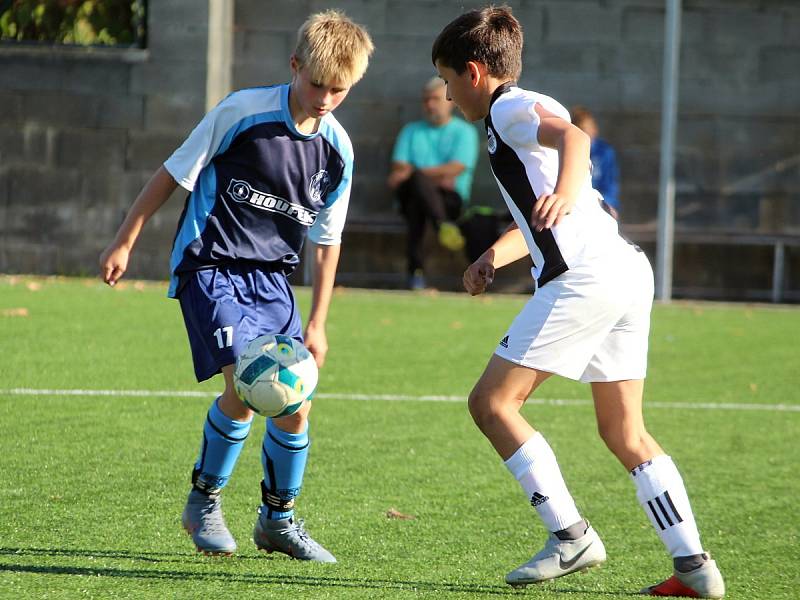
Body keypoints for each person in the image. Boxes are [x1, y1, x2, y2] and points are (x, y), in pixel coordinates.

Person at [431, 7, 725, 598]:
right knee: (626, 433)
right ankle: (695, 568)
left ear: (474, 72)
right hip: (623, 270)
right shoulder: (514, 115)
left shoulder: (509, 107)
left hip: (586, 278)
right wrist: (495, 255)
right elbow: (542, 207)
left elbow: (576, 140)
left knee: (492, 404)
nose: (445, 91)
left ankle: (571, 535)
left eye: (446, 78)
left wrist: (566, 189)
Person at [99, 10, 373, 561]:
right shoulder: (243, 111)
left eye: (338, 90)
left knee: (295, 402)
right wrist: (125, 240)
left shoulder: (337, 150)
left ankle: (278, 519)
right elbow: (175, 173)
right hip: (211, 265)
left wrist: (318, 321)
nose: (324, 98)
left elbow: (327, 239)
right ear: (294, 66)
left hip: (274, 282)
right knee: (249, 385)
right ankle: (203, 501)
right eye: (317, 84)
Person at [387, 77, 480, 289]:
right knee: (417, 190)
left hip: (450, 200)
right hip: (415, 195)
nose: (430, 105)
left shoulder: (465, 132)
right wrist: (437, 175)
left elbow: (457, 168)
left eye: (435, 99)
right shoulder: (411, 130)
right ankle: (443, 226)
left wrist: (416, 172)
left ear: (451, 101)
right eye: (426, 100)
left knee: (417, 203)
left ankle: (415, 273)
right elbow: (398, 170)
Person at [571, 105, 621, 220]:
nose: (585, 134)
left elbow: (610, 185)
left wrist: (605, 204)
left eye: (587, 129)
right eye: (580, 130)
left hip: (599, 206)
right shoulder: (568, 151)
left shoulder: (604, 152)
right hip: (575, 206)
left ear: (594, 129)